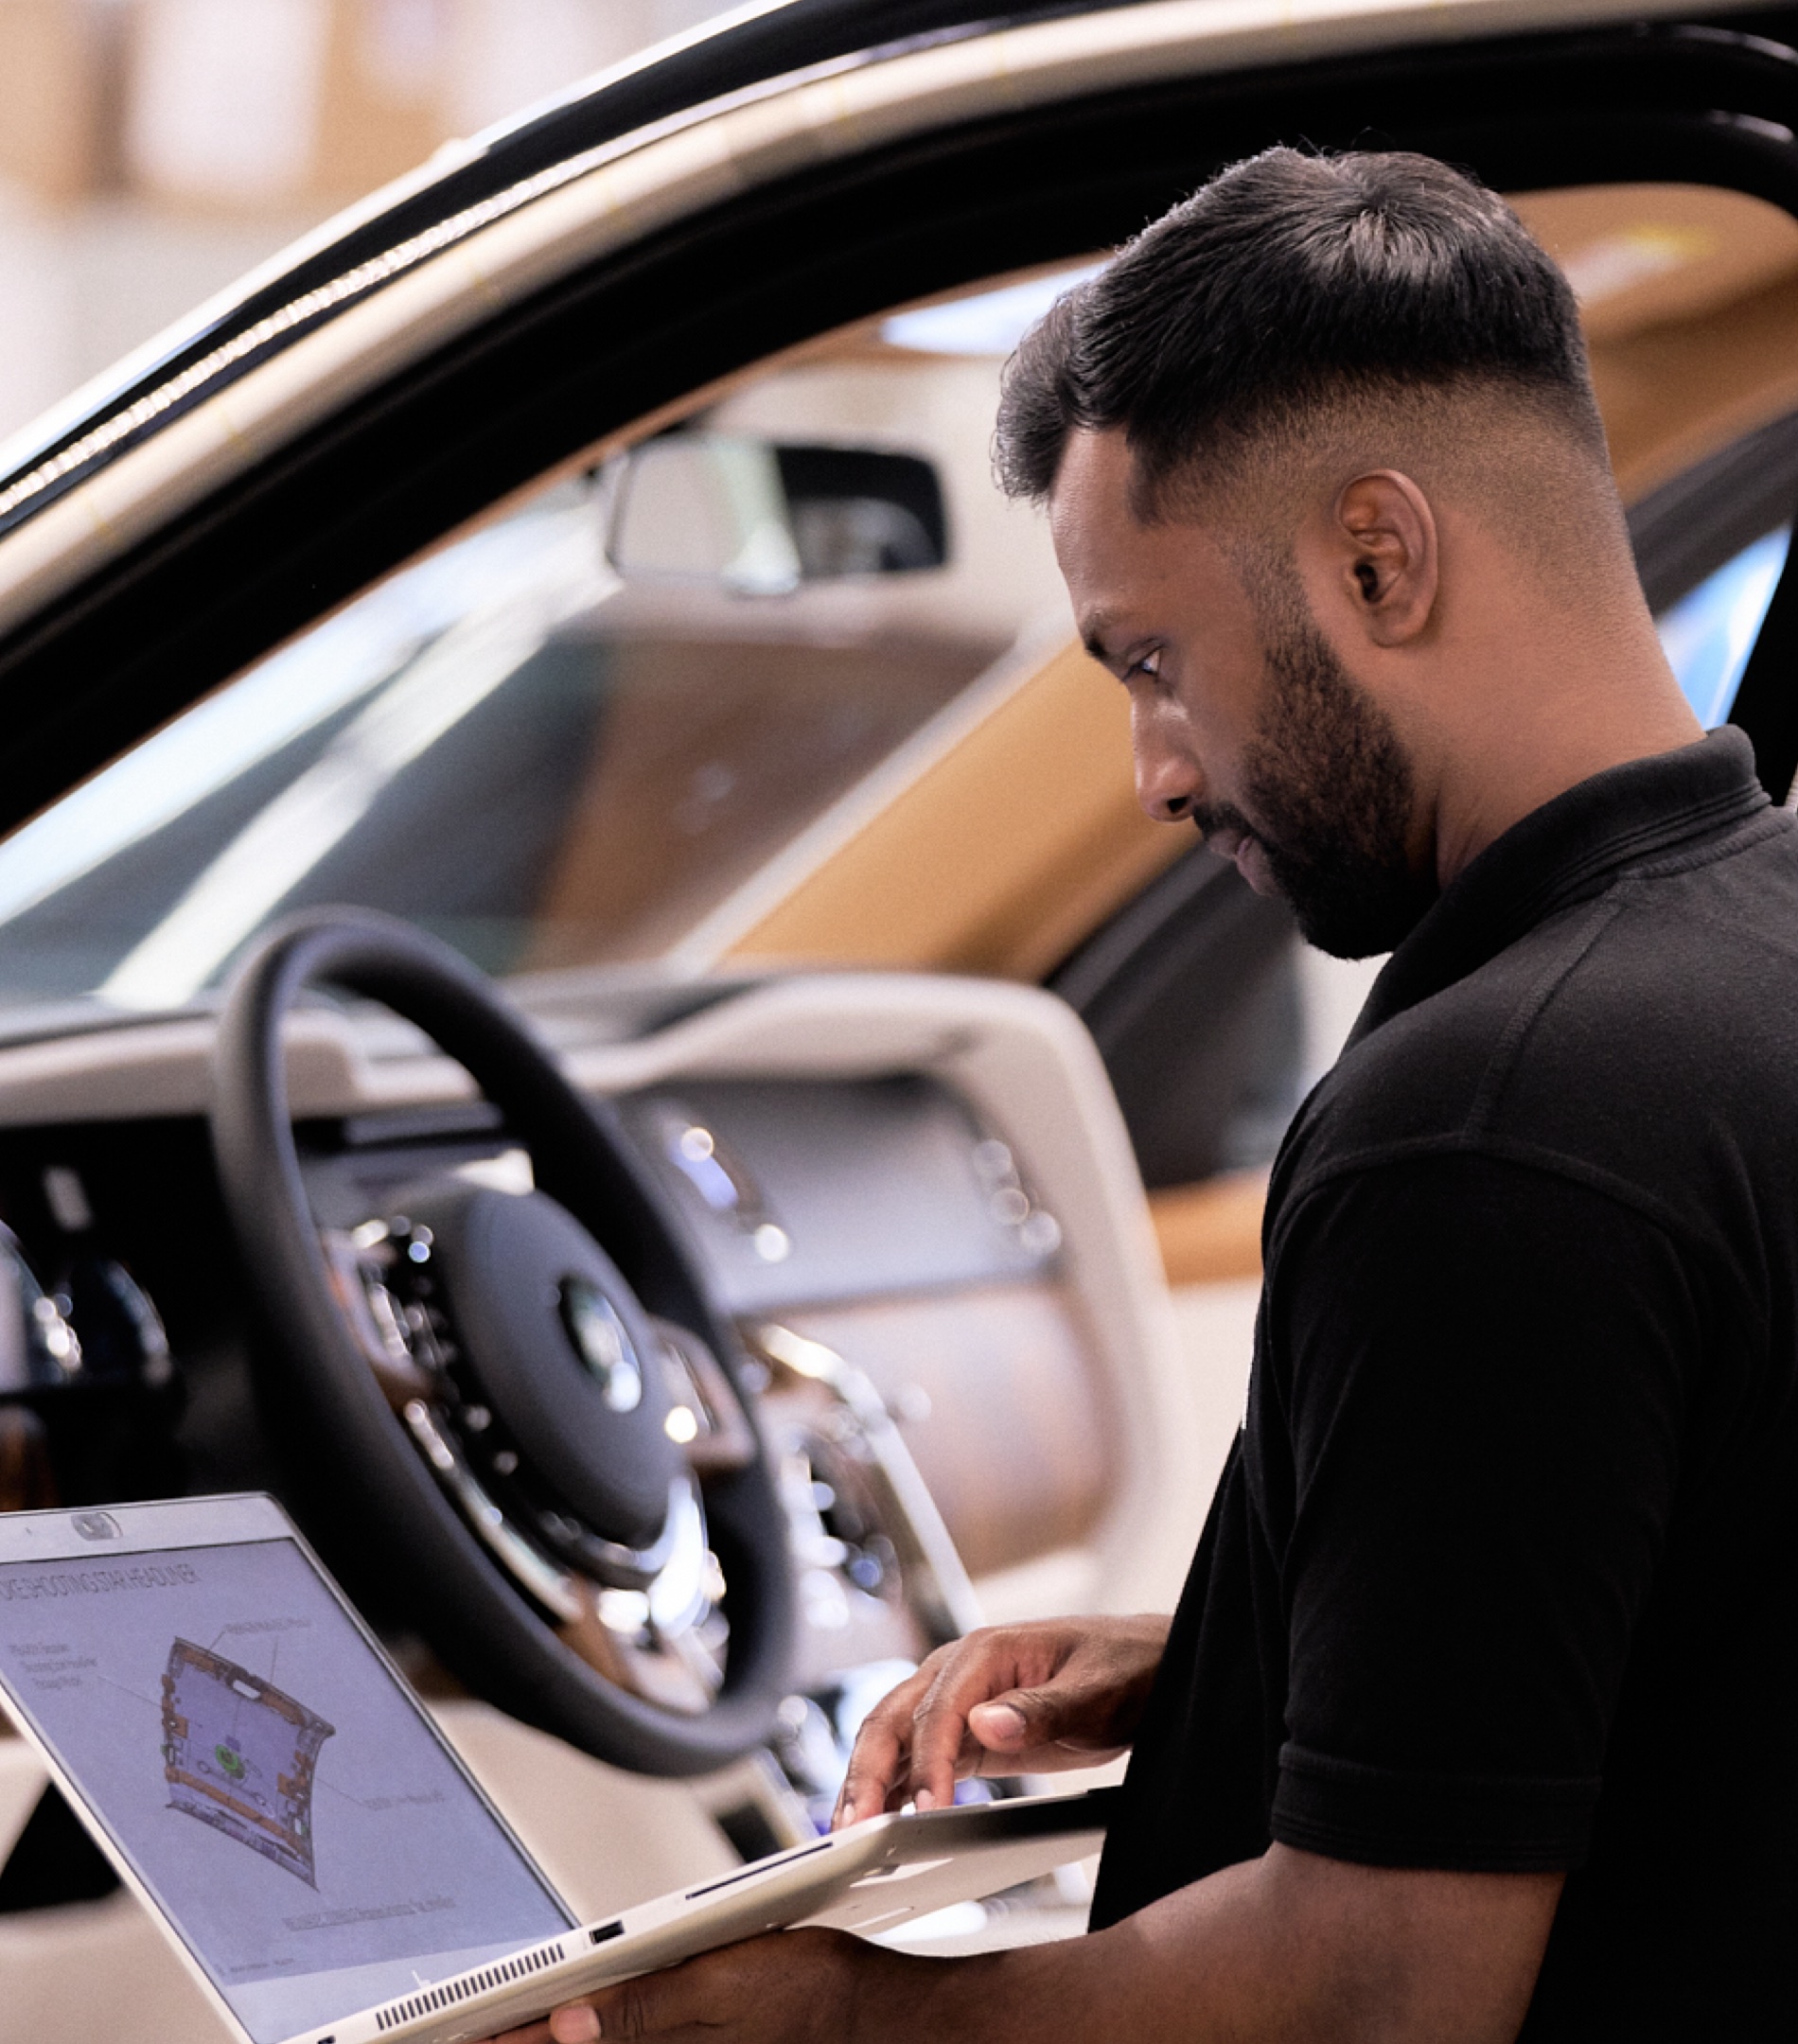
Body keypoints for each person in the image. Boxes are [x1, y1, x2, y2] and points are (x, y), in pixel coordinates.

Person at [496, 147, 1798, 2041]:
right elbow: (1702, 1638)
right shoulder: (1745, 954)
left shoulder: (1490, 1129)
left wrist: (835, 2017)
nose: (1151, 774)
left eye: (1154, 662)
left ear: (1376, 557)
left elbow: (1375, 1996)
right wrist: (1256, 1662)